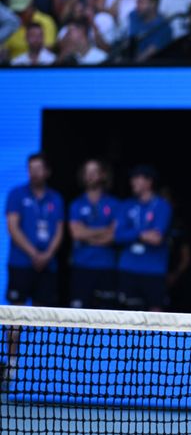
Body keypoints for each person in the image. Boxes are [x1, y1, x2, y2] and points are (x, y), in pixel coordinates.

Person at [5, 152, 64, 378]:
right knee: (15, 317)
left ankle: (37, 372)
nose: (34, 173)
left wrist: (47, 254)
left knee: (43, 316)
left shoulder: (55, 199)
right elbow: (12, 227)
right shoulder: (16, 194)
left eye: (39, 168)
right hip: (21, 264)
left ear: (47, 171)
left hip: (47, 266)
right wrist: (34, 253)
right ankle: (11, 367)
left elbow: (59, 230)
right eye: (31, 168)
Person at [116, 164, 172, 311]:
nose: (132, 182)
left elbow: (157, 238)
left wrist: (132, 233)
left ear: (149, 182)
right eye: (132, 178)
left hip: (154, 271)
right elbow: (117, 235)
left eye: (137, 178)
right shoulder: (126, 205)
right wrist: (141, 233)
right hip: (128, 268)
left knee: (156, 316)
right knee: (125, 315)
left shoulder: (162, 206)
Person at [68, 158, 119, 309]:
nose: (90, 176)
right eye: (87, 172)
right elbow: (76, 234)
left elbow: (114, 234)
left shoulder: (115, 204)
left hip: (106, 267)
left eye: (94, 172)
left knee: (106, 316)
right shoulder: (76, 204)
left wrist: (87, 235)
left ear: (103, 175)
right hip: (82, 266)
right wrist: (104, 230)